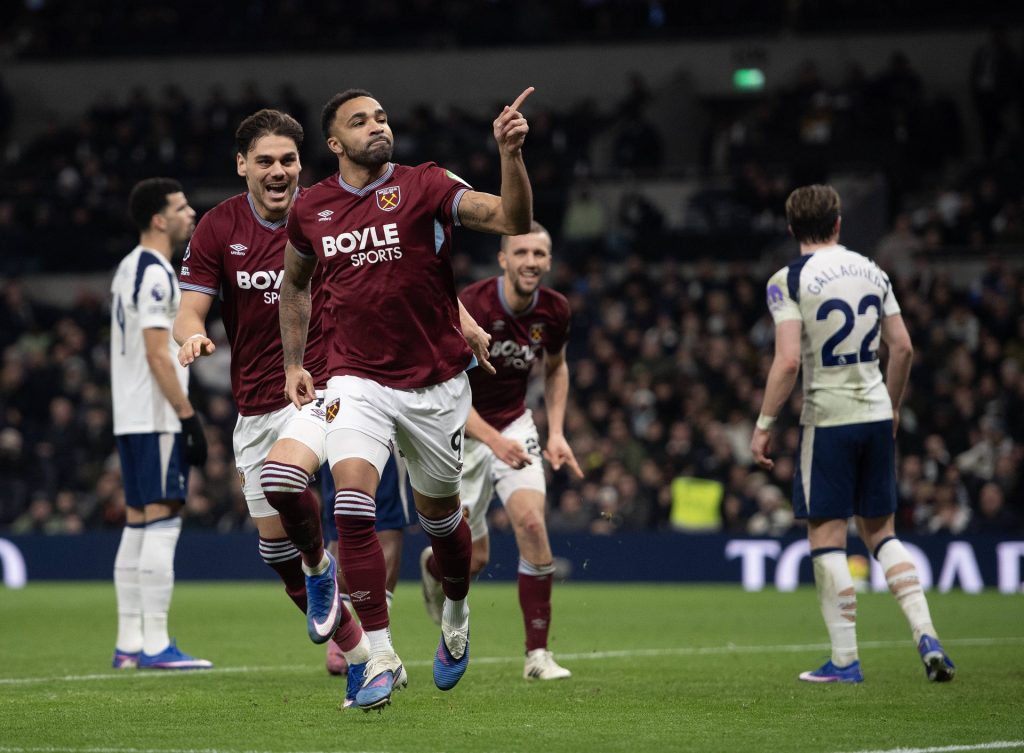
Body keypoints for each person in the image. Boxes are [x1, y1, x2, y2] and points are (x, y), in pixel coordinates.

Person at [281, 86, 534, 711]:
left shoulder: (425, 184)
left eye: (382, 117)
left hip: (435, 384)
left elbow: (513, 221)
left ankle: (455, 608)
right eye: (360, 121)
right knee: (352, 504)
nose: (377, 127)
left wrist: (509, 154)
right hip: (355, 379)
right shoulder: (311, 207)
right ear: (335, 143)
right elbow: (294, 284)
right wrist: (293, 362)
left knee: (442, 523)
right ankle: (380, 657)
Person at [172, 110, 371, 704]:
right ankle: (357, 649)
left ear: (301, 164)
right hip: (256, 402)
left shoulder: (326, 213)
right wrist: (190, 333)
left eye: (287, 159)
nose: (278, 170)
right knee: (274, 549)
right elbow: (191, 307)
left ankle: (328, 577)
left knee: (299, 487)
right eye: (265, 161)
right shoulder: (218, 226)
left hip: (326, 385)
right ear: (243, 167)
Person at [750, 184, 955, 684]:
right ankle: (926, 637)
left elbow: (789, 360)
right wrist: (893, 406)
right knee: (882, 533)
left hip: (828, 417)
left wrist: (763, 426)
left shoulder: (788, 279)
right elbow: (902, 348)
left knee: (826, 535)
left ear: (791, 228)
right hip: (874, 413)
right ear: (839, 224)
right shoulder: (873, 271)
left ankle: (845, 661)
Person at [420, 221, 582, 681]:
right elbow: (441, 385)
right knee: (472, 560)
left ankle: (538, 656)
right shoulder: (470, 304)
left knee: (532, 524)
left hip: (515, 424)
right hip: (461, 428)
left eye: (539, 254)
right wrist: (492, 441)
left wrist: (556, 433)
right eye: (522, 253)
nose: (531, 262)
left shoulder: (554, 310)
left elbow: (556, 368)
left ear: (549, 261)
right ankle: (433, 572)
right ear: (503, 259)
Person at [110, 177, 211, 670]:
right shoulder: (155, 274)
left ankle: (129, 643)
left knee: (137, 523)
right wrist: (188, 418)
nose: (190, 213)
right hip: (156, 416)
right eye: (181, 206)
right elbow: (156, 352)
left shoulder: (127, 267)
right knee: (164, 521)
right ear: (158, 219)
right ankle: (155, 644)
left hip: (129, 417)